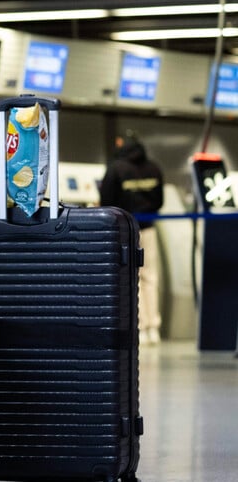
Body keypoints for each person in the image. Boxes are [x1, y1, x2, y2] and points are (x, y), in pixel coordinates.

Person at [99, 130, 164, 346]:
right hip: (149, 229)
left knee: (131, 278)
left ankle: (140, 327)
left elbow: (107, 200)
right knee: (150, 278)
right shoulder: (153, 167)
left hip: (126, 231)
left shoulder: (116, 168)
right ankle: (154, 327)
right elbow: (159, 200)